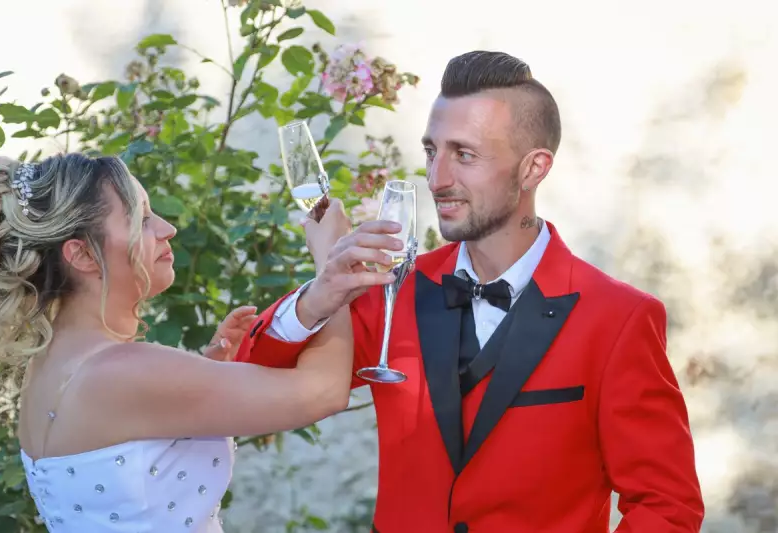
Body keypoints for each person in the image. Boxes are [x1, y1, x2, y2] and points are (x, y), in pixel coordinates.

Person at [235, 51, 705, 532]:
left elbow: (667, 506)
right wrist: (320, 291)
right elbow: (248, 380)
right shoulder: (393, 292)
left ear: (533, 169)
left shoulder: (618, 319)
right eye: (431, 152)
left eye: (464, 155)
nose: (437, 179)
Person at [0, 153, 393, 532]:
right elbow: (323, 393)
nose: (167, 228)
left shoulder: (49, 365)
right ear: (83, 255)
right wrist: (334, 268)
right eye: (141, 219)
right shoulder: (125, 373)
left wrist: (206, 367)